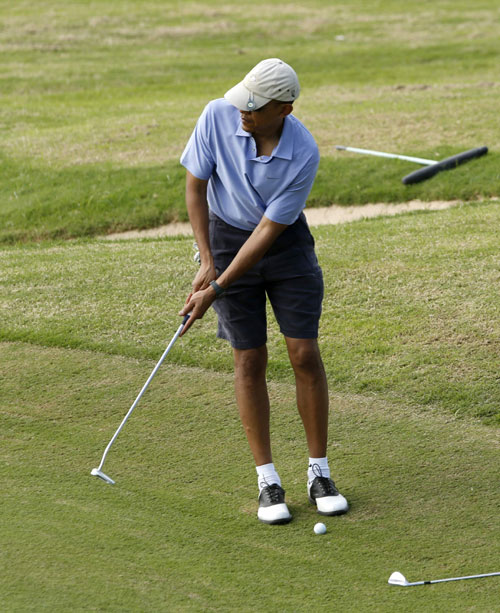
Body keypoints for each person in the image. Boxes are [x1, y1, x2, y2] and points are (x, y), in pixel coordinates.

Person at [178, 58, 348, 524]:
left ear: (284, 109)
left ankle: (319, 472)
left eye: (254, 108)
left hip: (284, 244)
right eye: (242, 103)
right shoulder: (217, 115)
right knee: (248, 358)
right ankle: (268, 481)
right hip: (227, 235)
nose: (243, 114)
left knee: (303, 354)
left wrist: (216, 286)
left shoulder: (304, 151)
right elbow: (195, 187)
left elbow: (270, 230)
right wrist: (209, 259)